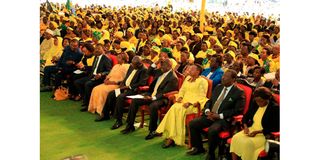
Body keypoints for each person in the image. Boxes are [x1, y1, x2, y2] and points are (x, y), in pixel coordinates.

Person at [187, 69, 245, 160]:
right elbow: (209, 101)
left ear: (233, 79)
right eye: (223, 76)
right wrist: (207, 111)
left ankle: (211, 153)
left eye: (226, 77)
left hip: (223, 119)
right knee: (193, 123)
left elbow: (238, 110)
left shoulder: (238, 92)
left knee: (212, 130)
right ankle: (198, 148)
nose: (223, 78)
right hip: (210, 115)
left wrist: (220, 115)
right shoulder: (218, 87)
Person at [156, 64, 209, 148]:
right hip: (183, 102)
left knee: (177, 109)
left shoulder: (203, 81)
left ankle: (172, 138)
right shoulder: (187, 78)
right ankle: (171, 136)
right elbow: (182, 90)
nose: (189, 71)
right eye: (190, 69)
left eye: (192, 69)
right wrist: (180, 96)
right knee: (174, 108)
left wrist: (190, 103)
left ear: (197, 71)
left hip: (193, 105)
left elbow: (202, 96)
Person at [121, 58, 178, 136]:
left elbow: (165, 93)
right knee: (135, 101)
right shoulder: (160, 71)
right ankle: (130, 126)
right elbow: (149, 71)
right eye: (160, 65)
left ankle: (152, 130)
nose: (161, 67)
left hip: (162, 98)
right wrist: (156, 62)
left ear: (169, 66)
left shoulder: (173, 78)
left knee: (153, 105)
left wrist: (153, 98)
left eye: (163, 66)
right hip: (151, 94)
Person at [230, 87, 279, 160]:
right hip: (251, 129)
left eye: (261, 101)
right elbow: (246, 116)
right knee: (235, 138)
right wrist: (245, 126)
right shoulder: (255, 103)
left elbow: (276, 127)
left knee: (247, 144)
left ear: (267, 99)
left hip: (264, 134)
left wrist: (258, 132)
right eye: (257, 101)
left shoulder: (274, 108)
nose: (259, 103)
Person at [104, 56, 148, 129]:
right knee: (111, 93)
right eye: (132, 64)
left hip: (133, 90)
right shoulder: (131, 66)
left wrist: (128, 87)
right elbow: (126, 77)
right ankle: (106, 115)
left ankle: (119, 120)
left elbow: (142, 83)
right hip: (125, 87)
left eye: (134, 65)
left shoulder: (144, 70)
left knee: (120, 97)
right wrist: (121, 86)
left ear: (139, 64)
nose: (132, 65)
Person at [89, 53, 130, 119]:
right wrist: (106, 79)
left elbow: (124, 80)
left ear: (123, 59)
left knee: (103, 91)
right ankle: (95, 108)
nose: (117, 59)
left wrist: (112, 82)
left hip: (116, 85)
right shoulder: (116, 66)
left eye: (119, 57)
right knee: (96, 88)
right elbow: (109, 75)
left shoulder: (127, 66)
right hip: (108, 83)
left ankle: (102, 110)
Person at [75, 43, 113, 111]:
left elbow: (109, 71)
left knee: (88, 84)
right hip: (92, 76)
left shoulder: (106, 59)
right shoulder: (96, 57)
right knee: (77, 82)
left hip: (99, 78)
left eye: (99, 48)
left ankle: (87, 104)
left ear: (103, 49)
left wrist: (101, 74)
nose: (97, 50)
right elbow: (93, 68)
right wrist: (84, 67)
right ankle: (85, 99)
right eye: (96, 48)